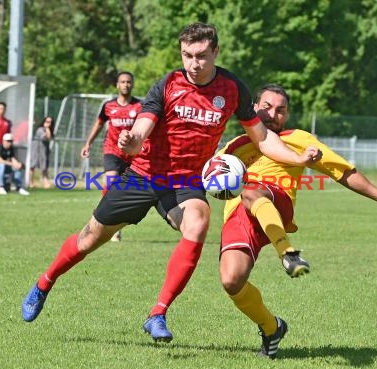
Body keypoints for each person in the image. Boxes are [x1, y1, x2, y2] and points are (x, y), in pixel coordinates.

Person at [22, 22, 320, 343]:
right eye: (187, 55)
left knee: (198, 222)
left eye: (202, 56)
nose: (194, 64)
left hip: (186, 180)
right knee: (89, 239)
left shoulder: (232, 88)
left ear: (215, 52)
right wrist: (132, 142)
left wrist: (299, 158)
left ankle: (158, 313)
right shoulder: (168, 84)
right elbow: (142, 128)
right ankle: (44, 283)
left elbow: (262, 139)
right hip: (144, 175)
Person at [217, 84, 377, 359]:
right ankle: (272, 328)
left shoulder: (296, 138)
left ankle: (288, 253)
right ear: (254, 107)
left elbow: (343, 171)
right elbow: (209, 173)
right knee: (231, 280)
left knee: (253, 190)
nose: (274, 114)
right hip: (239, 216)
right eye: (267, 107)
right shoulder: (235, 145)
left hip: (276, 202)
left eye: (281, 110)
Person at [80, 71, 142, 241]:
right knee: (111, 180)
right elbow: (99, 124)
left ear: (132, 84)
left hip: (132, 154)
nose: (126, 85)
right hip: (112, 151)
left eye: (129, 82)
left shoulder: (139, 106)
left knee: (124, 190)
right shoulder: (108, 106)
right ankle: (103, 212)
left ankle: (114, 224)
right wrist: (88, 143)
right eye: (122, 82)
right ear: (117, 85)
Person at [30, 116, 54, 189]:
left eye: (50, 122)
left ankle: (45, 182)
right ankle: (30, 182)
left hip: (44, 150)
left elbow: (50, 137)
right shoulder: (40, 130)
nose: (48, 124)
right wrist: (46, 128)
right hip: (36, 149)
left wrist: (48, 129)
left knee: (44, 167)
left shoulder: (50, 130)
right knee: (33, 165)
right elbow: (46, 137)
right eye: (47, 122)